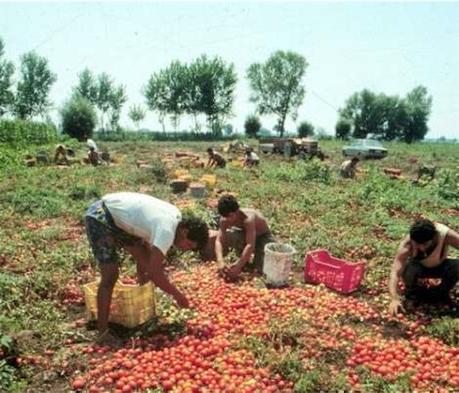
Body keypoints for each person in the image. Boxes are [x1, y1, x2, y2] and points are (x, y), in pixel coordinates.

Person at [84, 192, 209, 344]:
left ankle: (143, 309)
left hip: (121, 219)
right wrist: (178, 296)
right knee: (110, 275)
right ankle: (102, 332)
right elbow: (155, 272)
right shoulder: (167, 231)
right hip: (101, 216)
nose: (184, 249)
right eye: (188, 245)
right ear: (184, 231)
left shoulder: (175, 218)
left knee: (145, 259)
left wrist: (147, 276)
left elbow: (148, 260)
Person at [388, 219, 459, 316]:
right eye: (417, 244)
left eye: (425, 244)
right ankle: (413, 294)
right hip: (418, 268)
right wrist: (394, 298)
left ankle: (441, 293)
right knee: (408, 267)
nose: (421, 248)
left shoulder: (446, 235)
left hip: (441, 266)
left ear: (434, 237)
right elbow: (395, 272)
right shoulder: (407, 245)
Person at [215, 195, 275, 280]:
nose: (228, 220)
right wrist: (220, 260)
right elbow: (219, 241)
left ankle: (246, 262)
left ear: (237, 211)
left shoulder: (248, 219)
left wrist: (238, 265)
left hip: (262, 236)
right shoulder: (224, 219)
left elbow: (250, 245)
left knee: (260, 269)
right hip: (246, 234)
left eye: (231, 216)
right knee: (233, 235)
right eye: (226, 217)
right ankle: (244, 262)